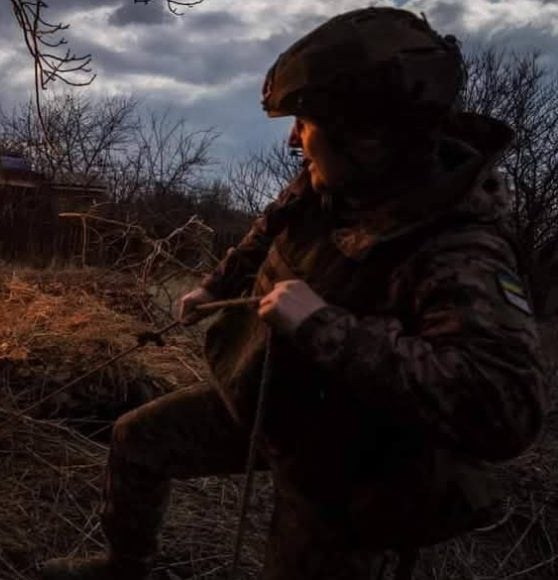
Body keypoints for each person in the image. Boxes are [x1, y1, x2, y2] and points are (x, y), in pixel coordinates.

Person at [39, 7, 548, 580]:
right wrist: (217, 285)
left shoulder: (460, 249)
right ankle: (125, 565)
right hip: (270, 399)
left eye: (306, 121)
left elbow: (505, 409)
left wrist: (323, 326)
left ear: (368, 137)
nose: (293, 138)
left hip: (350, 468)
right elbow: (269, 229)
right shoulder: (331, 181)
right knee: (139, 438)